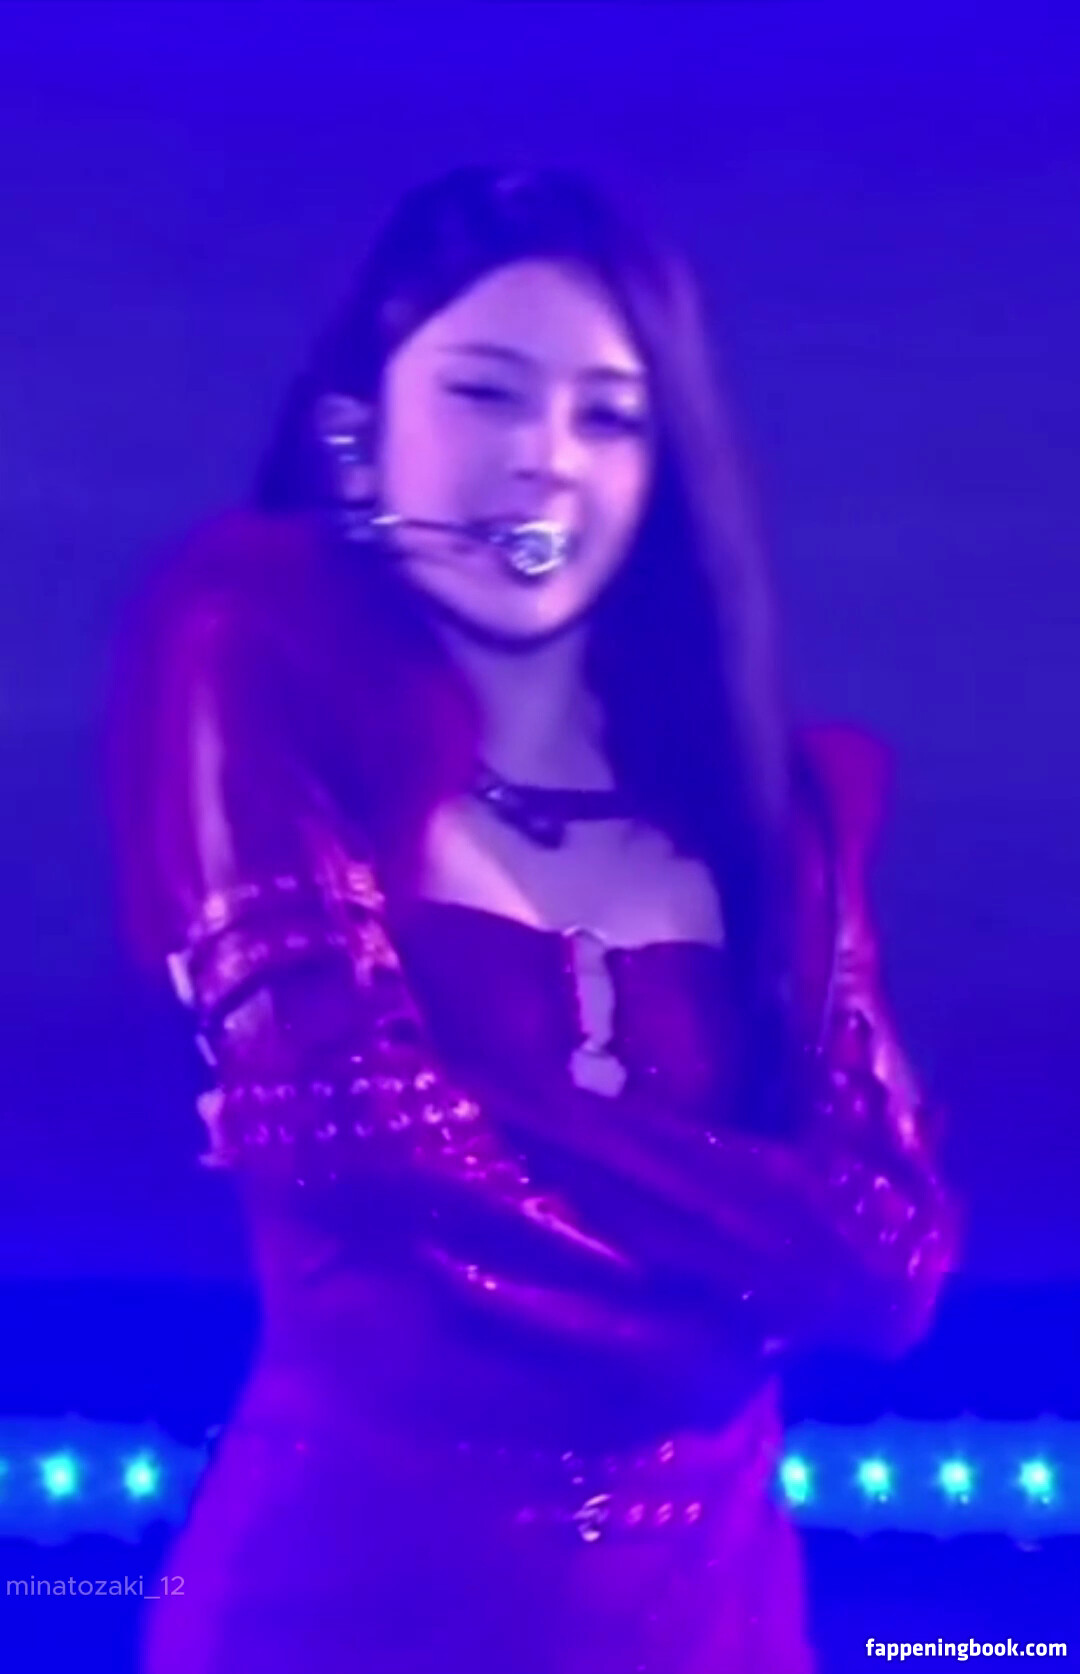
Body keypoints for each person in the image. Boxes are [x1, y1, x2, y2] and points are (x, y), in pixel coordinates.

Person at [106, 165, 959, 1674]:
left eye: (609, 418)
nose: (545, 460)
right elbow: (370, 1153)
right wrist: (760, 1252)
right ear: (356, 434)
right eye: (486, 393)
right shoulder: (241, 669)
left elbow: (884, 1263)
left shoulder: (779, 821)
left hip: (711, 1619)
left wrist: (456, 1124)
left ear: (663, 474)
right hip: (338, 1609)